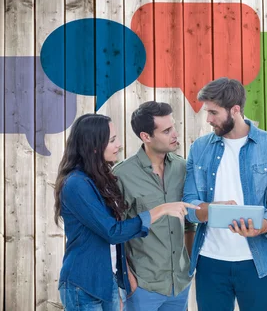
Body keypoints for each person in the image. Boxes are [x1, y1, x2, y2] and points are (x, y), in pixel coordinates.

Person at [54, 113, 197, 311]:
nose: (119, 145)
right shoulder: (76, 184)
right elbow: (112, 231)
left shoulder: (100, 179)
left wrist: (122, 279)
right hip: (84, 285)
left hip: (107, 282)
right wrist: (160, 210)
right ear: (94, 146)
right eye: (112, 140)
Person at [182, 77, 267, 311]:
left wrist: (263, 225)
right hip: (210, 262)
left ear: (235, 110)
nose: (208, 119)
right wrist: (209, 209)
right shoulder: (199, 148)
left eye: (213, 112)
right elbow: (189, 204)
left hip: (256, 261)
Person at [113, 101, 196, 311]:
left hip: (179, 285)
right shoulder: (122, 175)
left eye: (174, 127)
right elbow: (113, 234)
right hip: (142, 286)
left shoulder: (183, 168)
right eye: (166, 131)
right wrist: (128, 280)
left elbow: (189, 223)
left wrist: (188, 266)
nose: (175, 134)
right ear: (145, 136)